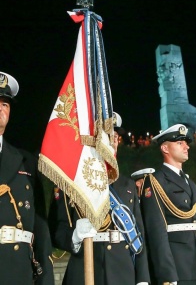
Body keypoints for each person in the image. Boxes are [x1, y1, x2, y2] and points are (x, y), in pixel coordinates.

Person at [49, 112, 150, 285]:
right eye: (107, 137)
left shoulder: (127, 185)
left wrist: (142, 278)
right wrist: (74, 236)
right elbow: (56, 229)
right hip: (85, 268)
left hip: (123, 272)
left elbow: (138, 235)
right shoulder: (73, 182)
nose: (113, 141)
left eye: (116, 137)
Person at [140, 123, 196, 285]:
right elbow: (157, 232)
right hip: (178, 267)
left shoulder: (190, 183)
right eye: (180, 143)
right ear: (165, 148)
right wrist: (167, 274)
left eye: (186, 143)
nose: (186, 147)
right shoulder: (155, 182)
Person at [0, 71, 54, 284]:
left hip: (19, 272)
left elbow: (41, 230)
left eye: (6, 104)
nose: (1, 107)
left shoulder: (27, 162)